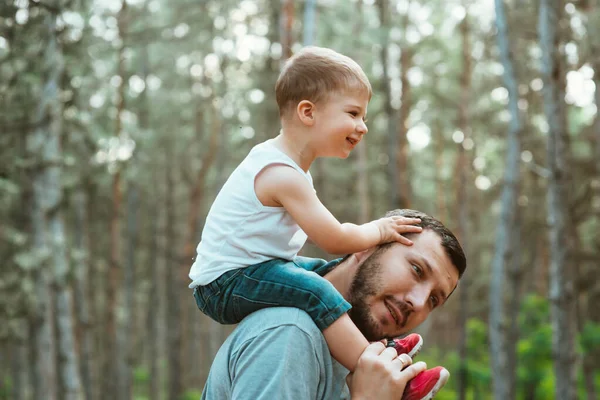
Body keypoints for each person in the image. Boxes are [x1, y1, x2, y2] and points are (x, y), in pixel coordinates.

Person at [189, 45, 427, 379]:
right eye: (353, 113)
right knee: (317, 289)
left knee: (327, 271)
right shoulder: (281, 173)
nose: (363, 126)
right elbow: (334, 237)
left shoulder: (290, 167)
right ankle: (375, 369)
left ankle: (381, 345)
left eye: (364, 117)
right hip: (224, 284)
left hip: (254, 268)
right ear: (308, 112)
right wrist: (380, 230)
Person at [200, 209, 467, 400]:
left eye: (434, 299)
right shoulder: (290, 332)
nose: (418, 302)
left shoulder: (368, 372)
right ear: (367, 246)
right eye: (417, 270)